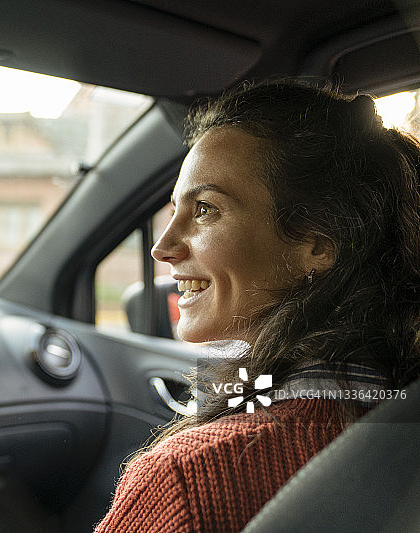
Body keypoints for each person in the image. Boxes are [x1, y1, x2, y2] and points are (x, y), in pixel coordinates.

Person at [95, 79, 420, 532]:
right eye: (173, 211)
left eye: (205, 209)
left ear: (318, 242)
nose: (163, 247)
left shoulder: (188, 483)